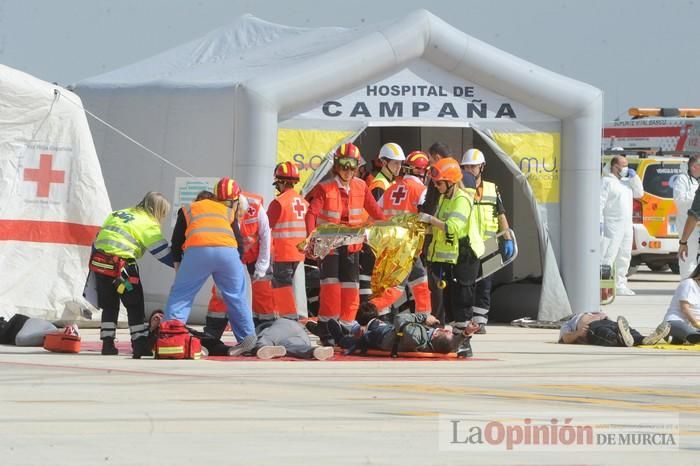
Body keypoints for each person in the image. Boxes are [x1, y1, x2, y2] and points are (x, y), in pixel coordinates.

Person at [164, 177, 257, 356]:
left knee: (181, 294)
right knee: (237, 296)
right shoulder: (228, 212)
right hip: (228, 252)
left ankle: (171, 337)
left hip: (197, 251)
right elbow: (239, 241)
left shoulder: (188, 209)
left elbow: (176, 243)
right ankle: (248, 340)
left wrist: (178, 266)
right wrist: (235, 267)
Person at [305, 142, 386, 345]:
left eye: (352, 165)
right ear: (336, 165)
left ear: (358, 166)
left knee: (351, 284)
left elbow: (376, 212)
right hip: (329, 244)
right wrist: (309, 239)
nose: (348, 170)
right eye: (344, 164)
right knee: (330, 284)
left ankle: (347, 323)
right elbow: (312, 213)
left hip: (352, 245)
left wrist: (392, 230)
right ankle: (327, 326)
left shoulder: (361, 186)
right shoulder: (324, 188)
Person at [91, 192, 174, 358]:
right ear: (157, 210)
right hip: (123, 272)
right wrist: (185, 265)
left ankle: (107, 344)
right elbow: (163, 253)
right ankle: (139, 345)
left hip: (100, 265)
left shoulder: (118, 214)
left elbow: (98, 238)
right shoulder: (148, 223)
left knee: (109, 305)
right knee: (134, 304)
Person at [417, 157, 485, 357]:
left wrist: (430, 219)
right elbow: (440, 230)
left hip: (464, 256)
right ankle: (455, 339)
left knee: (462, 300)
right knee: (449, 300)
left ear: (450, 181)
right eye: (435, 183)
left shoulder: (462, 199)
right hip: (448, 258)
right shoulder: (444, 198)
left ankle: (464, 342)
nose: (436, 186)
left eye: (439, 183)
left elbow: (453, 227)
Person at [366, 150, 431, 319]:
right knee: (397, 288)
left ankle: (425, 318)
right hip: (407, 247)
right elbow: (426, 218)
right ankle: (369, 309)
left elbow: (373, 215)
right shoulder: (421, 191)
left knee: (420, 281)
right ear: (422, 171)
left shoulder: (391, 188)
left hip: (389, 245)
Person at [460, 148, 514, 333]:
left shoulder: (492, 188)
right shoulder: (459, 188)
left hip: (489, 242)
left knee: (485, 283)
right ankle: (467, 320)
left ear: (482, 167)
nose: (469, 170)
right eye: (466, 166)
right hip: (467, 243)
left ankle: (480, 320)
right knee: (467, 284)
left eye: (473, 166)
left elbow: (501, 214)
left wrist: (507, 238)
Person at [360, 143, 406, 307]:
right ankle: (372, 315)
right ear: (384, 162)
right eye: (395, 163)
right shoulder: (379, 185)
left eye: (400, 163)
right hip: (377, 243)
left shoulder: (391, 183)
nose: (399, 167)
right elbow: (377, 216)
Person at [266, 161, 309, 320]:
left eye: (277, 183)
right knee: (298, 289)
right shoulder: (304, 203)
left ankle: (287, 319)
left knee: (282, 287)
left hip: (283, 253)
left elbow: (266, 227)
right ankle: (300, 317)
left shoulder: (278, 203)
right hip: (299, 252)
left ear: (282, 182)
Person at [327, 313, 480, 355]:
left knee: (370, 329)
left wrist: (423, 318)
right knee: (368, 328)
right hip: (389, 335)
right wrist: (466, 333)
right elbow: (453, 345)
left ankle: (341, 338)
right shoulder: (443, 344)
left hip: (381, 337)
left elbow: (400, 320)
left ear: (434, 335)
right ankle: (350, 330)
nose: (447, 330)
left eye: (445, 331)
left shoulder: (417, 336)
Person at [600, 154, 644, 296]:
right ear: (614, 166)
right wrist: (599, 222)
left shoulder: (626, 182)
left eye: (627, 165)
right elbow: (599, 203)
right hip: (612, 224)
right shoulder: (606, 181)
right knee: (609, 254)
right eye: (623, 165)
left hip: (626, 224)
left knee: (625, 255)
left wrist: (634, 177)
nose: (626, 167)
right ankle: (603, 286)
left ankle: (620, 285)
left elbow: (639, 193)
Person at [559, 312, 670, 347]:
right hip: (592, 327)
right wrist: (578, 333)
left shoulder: (593, 311)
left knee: (631, 332)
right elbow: (565, 338)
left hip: (611, 323)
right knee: (606, 335)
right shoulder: (569, 323)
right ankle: (624, 339)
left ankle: (645, 339)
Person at [253, 319, 334, 360]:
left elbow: (257, 336)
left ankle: (263, 347)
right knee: (293, 347)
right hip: (301, 333)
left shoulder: (267, 328)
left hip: (281, 327)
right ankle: (314, 351)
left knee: (263, 341)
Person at [673, 154, 700, 278]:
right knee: (688, 258)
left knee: (696, 260)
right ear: (694, 167)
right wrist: (696, 198)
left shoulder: (697, 180)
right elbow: (679, 200)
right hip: (687, 225)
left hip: (697, 225)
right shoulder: (682, 180)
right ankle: (686, 286)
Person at [664, 264, 700, 344]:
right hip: (675, 321)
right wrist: (697, 324)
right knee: (694, 336)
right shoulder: (689, 283)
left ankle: (676, 339)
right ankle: (668, 334)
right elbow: (685, 308)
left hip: (693, 326)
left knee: (694, 335)